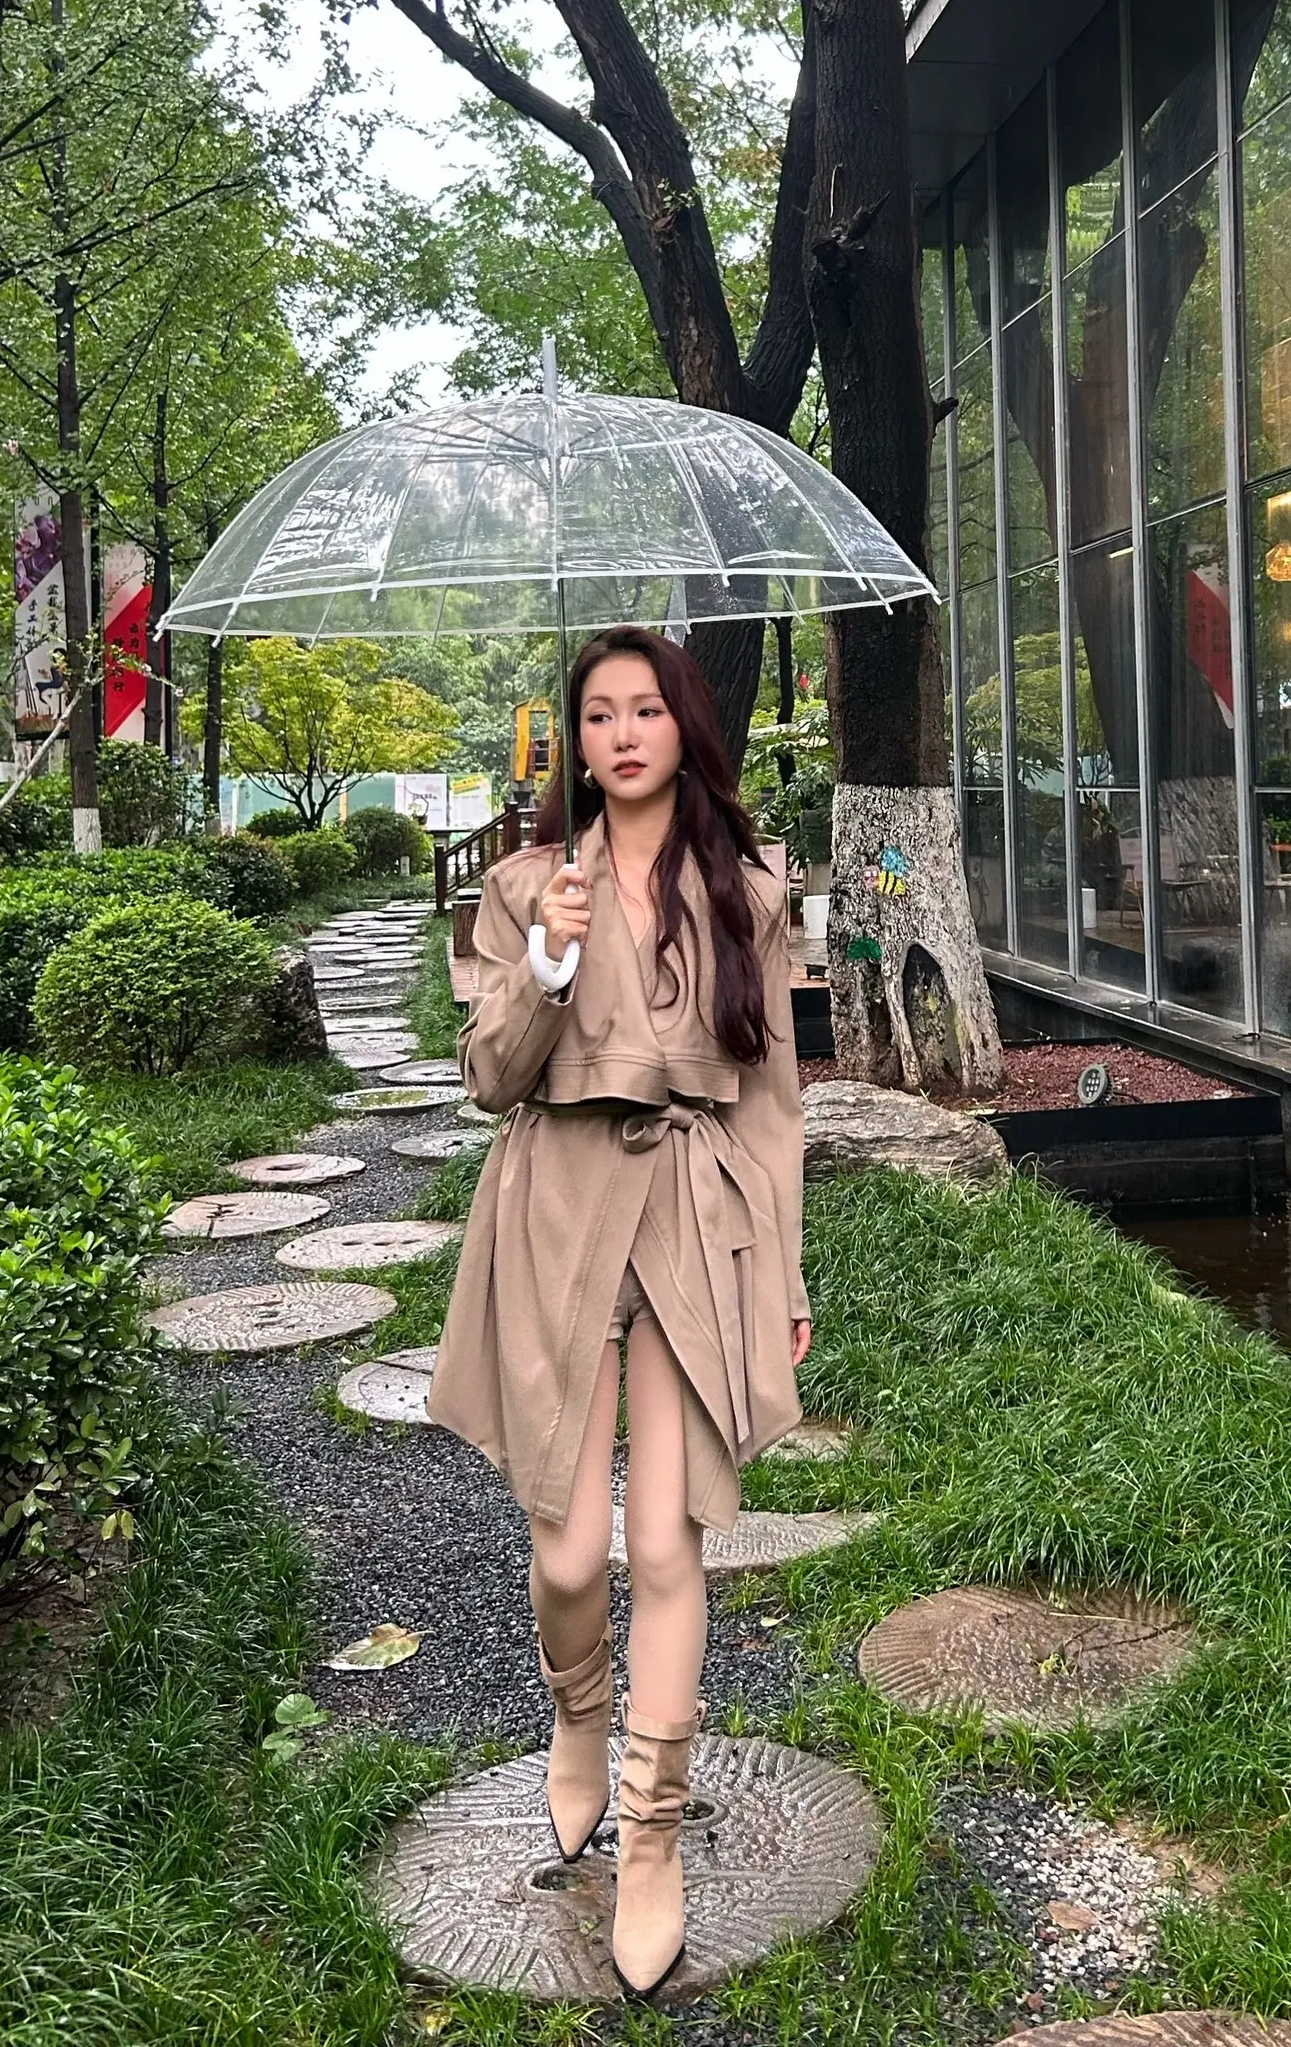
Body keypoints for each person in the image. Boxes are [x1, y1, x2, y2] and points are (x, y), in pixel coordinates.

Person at [428, 626, 810, 2000]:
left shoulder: (746, 885)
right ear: (575, 742)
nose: (626, 734)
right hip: (557, 1207)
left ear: (683, 727)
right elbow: (485, 1077)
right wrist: (541, 963)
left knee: (666, 1541)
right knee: (572, 1547)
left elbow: (770, 1103)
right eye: (600, 715)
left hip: (695, 1219)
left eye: (648, 709)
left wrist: (789, 1274)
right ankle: (577, 1721)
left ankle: (651, 1837)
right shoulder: (526, 882)